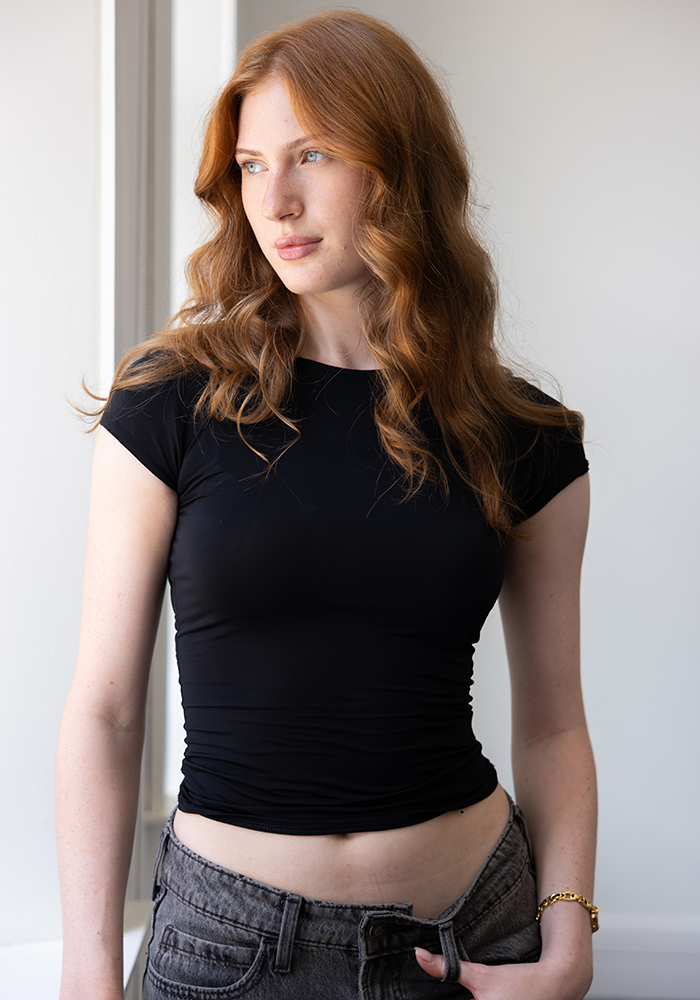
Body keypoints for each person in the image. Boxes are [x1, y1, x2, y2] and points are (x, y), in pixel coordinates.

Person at [56, 9, 596, 1000]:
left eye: (312, 155)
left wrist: (568, 934)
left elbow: (554, 723)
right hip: (228, 951)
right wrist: (89, 973)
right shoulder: (171, 402)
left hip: (474, 934)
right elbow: (105, 710)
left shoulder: (523, 434)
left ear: (398, 166)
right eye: (251, 166)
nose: (277, 201)